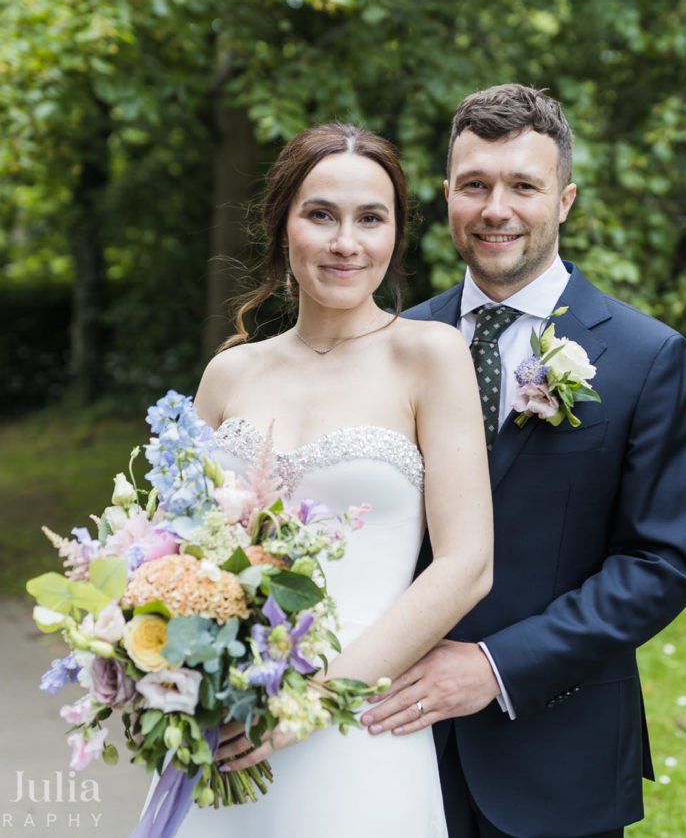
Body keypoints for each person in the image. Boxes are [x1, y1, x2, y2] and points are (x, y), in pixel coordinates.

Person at [370, 84, 686, 837]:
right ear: (447, 194)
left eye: (524, 185)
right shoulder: (388, 342)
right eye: (476, 185)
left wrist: (494, 666)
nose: (497, 208)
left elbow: (659, 564)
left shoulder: (646, 358)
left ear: (564, 200)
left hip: (560, 754)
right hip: (390, 745)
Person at [171, 122, 493, 836]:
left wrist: (313, 700)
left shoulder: (429, 358)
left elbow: (466, 566)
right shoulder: (229, 374)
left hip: (360, 724)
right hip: (229, 725)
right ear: (281, 224)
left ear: (395, 235)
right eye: (321, 214)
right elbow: (173, 551)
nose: (346, 241)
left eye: (370, 218)